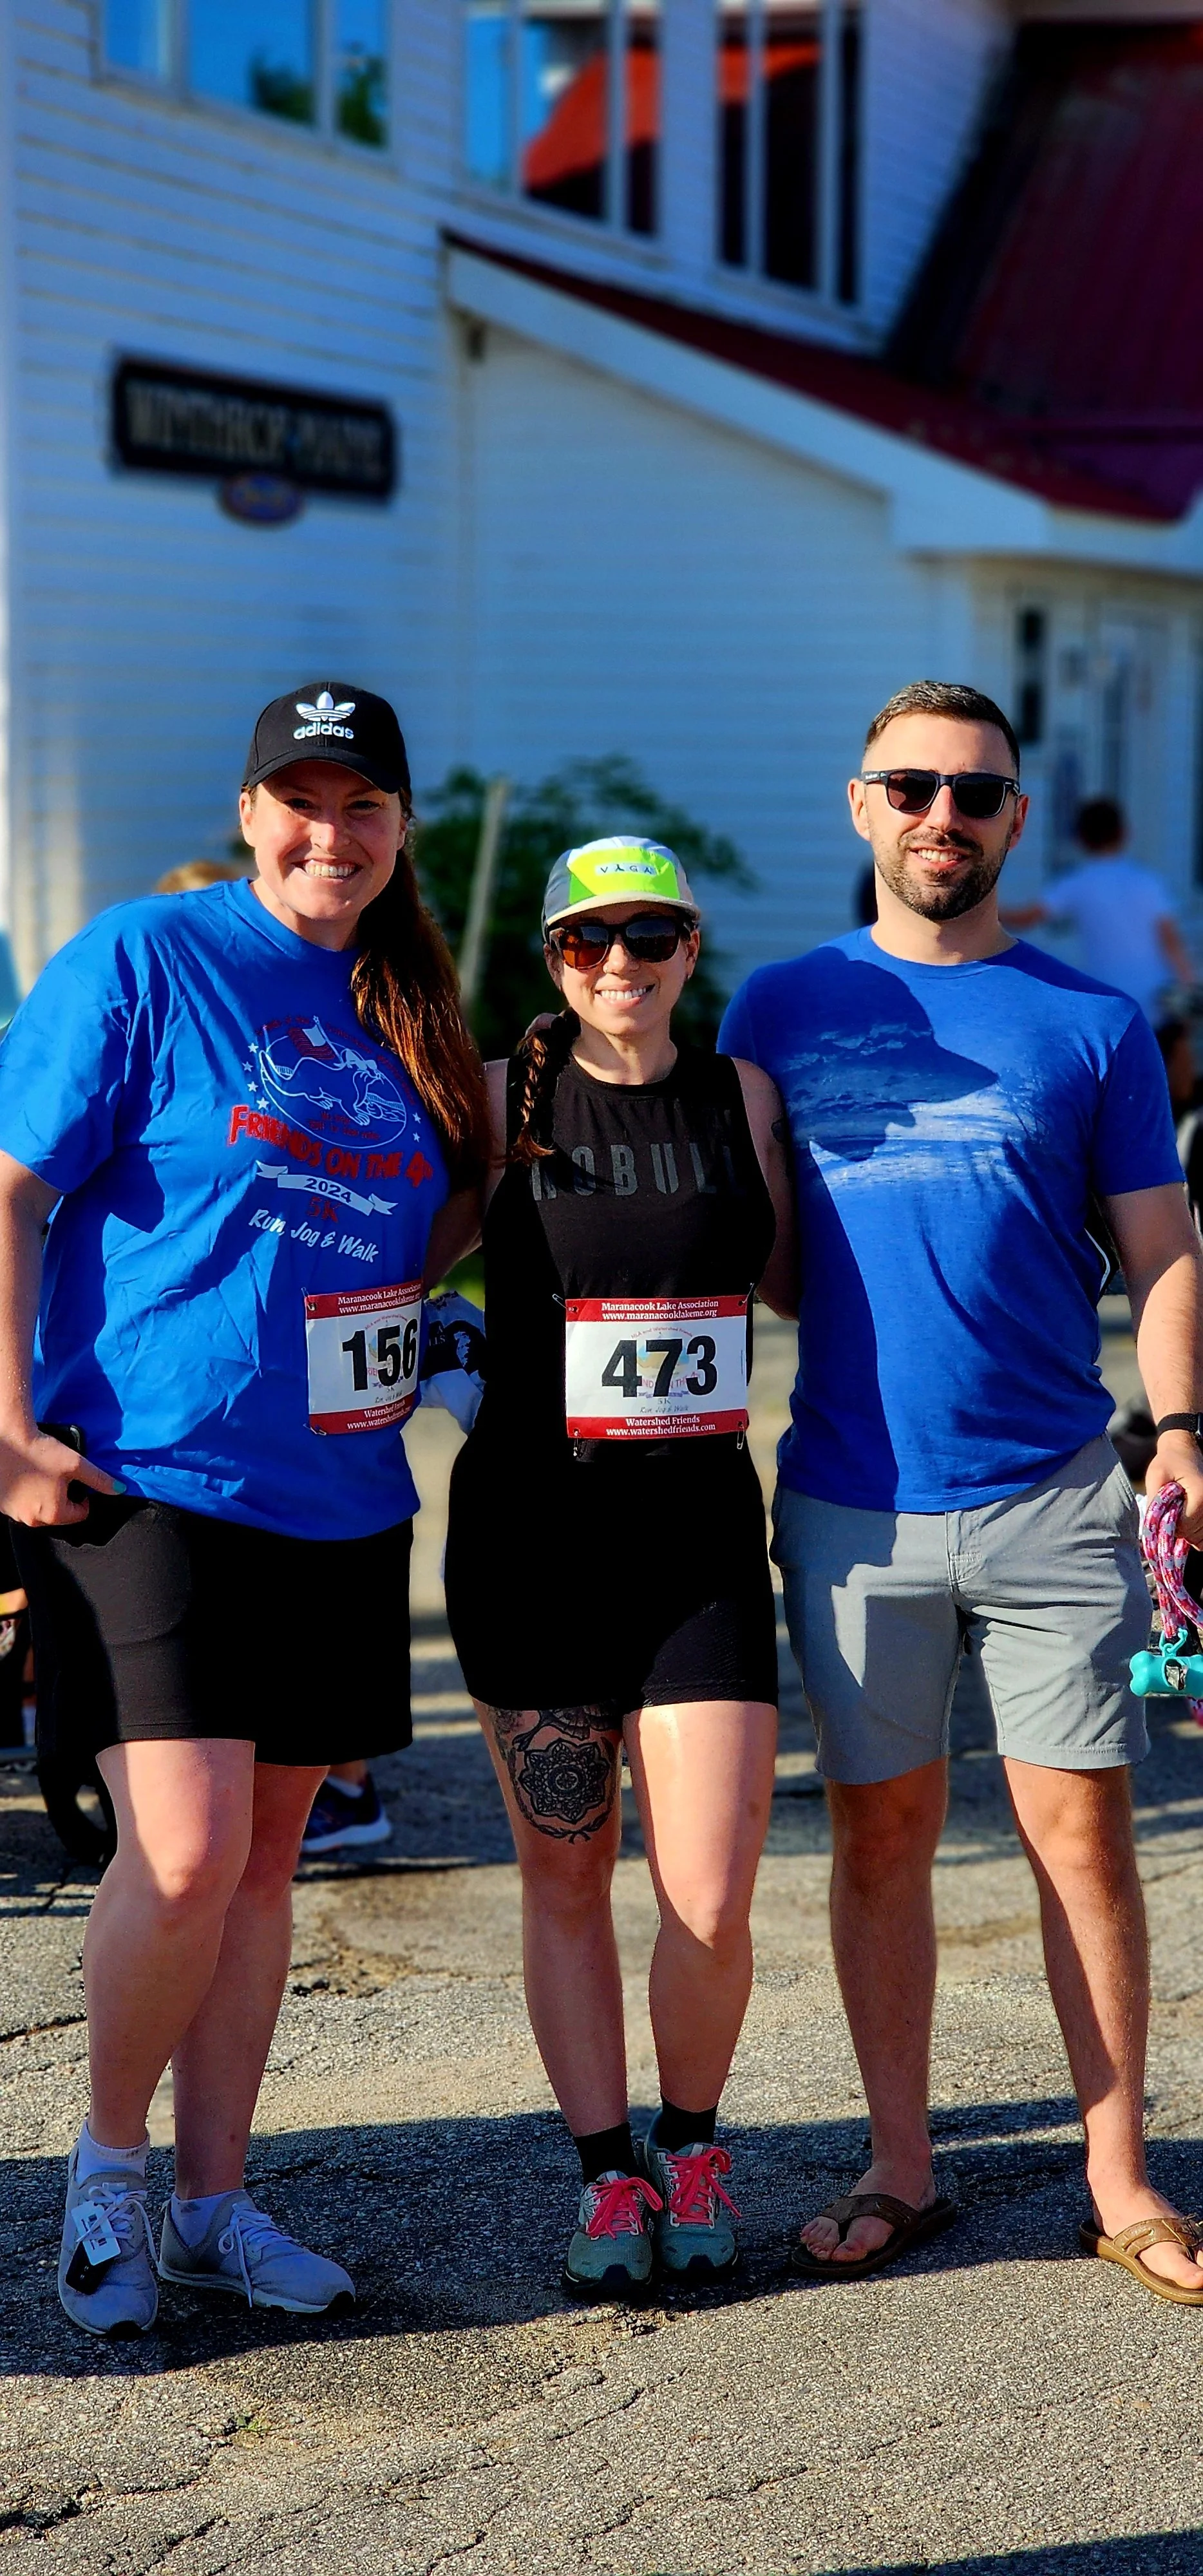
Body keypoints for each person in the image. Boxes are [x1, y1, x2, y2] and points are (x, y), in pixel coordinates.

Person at [0, 682, 487, 2338]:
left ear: (400, 829)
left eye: (361, 808)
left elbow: (444, 1211)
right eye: (300, 800)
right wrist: (0, 1426)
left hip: (341, 1494)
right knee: (189, 1844)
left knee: (268, 1866)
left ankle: (214, 2199)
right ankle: (108, 2175)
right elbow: (8, 1187)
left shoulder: (406, 1003)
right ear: (247, 808)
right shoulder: (147, 955)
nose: (328, 835)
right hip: (145, 1476)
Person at [721, 679, 1203, 2302]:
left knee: (1080, 1834)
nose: (942, 816)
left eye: (974, 794)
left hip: (1054, 1487)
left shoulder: (1086, 1022)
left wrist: (1182, 1426)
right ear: (858, 805)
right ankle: (900, 2162)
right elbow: (766, 1271)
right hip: (850, 1497)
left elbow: (1158, 1246)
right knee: (881, 1834)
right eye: (908, 787)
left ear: (1012, 821)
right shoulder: (771, 1009)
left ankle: (1118, 2172)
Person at [441, 837, 795, 2299]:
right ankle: (603, 2170)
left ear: (688, 949)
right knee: (565, 1874)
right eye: (584, 942)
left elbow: (805, 1271)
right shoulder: (495, 1095)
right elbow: (388, 1247)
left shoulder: (740, 1094)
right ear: (550, 959)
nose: (616, 966)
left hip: (699, 1542)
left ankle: (692, 2141)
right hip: (530, 1543)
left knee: (707, 1890)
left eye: (646, 937)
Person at [1003, 795, 1193, 1025]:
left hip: (1112, 1003)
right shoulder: (1147, 880)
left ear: (1081, 838)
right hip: (1158, 1000)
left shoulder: (1077, 883)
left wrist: (983, 911)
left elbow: (1027, 918)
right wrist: (1189, 983)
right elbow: (1170, 940)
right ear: (1124, 833)